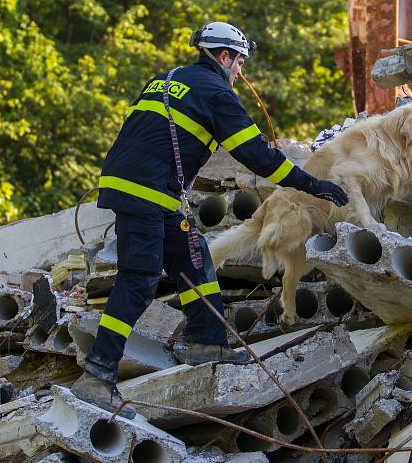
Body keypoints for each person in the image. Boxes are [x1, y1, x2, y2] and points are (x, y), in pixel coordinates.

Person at [70, 22, 348, 418]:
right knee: (140, 278)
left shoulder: (166, 80)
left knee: (192, 256)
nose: (240, 72)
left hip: (137, 185)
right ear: (223, 56)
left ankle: (206, 340)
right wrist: (311, 184)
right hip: (149, 192)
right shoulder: (216, 92)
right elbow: (257, 155)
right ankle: (98, 375)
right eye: (238, 63)